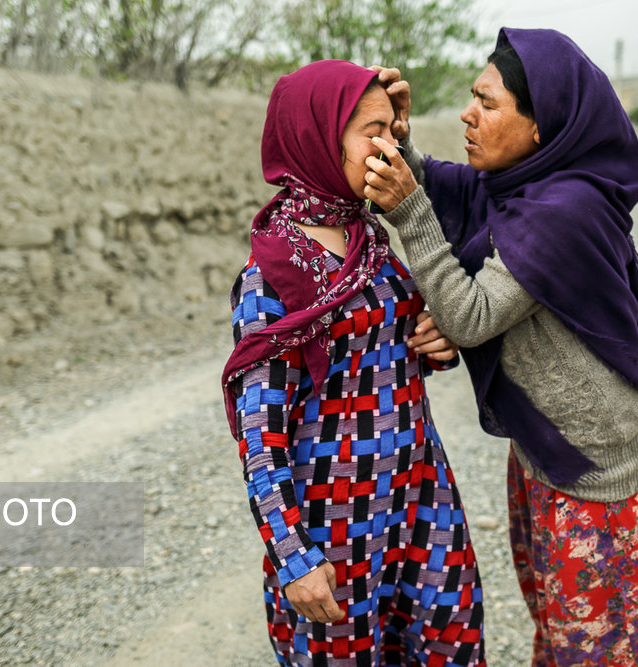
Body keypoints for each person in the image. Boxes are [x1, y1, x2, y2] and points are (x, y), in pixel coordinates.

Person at [362, 28, 638, 667]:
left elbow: (472, 315)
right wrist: (400, 145)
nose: (467, 113)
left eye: (488, 102)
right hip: (551, 459)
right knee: (565, 638)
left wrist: (410, 219)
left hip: (598, 490)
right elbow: (451, 187)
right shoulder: (522, 184)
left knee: (604, 650)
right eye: (471, 97)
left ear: (542, 128)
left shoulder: (563, 209)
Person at [221, 60, 486, 666]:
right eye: (372, 130)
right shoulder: (273, 278)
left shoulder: (370, 237)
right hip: (336, 527)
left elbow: (403, 342)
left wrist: (436, 338)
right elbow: (260, 436)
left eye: (394, 129)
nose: (389, 145)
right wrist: (293, 556)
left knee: (448, 645)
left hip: (422, 503)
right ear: (317, 136)